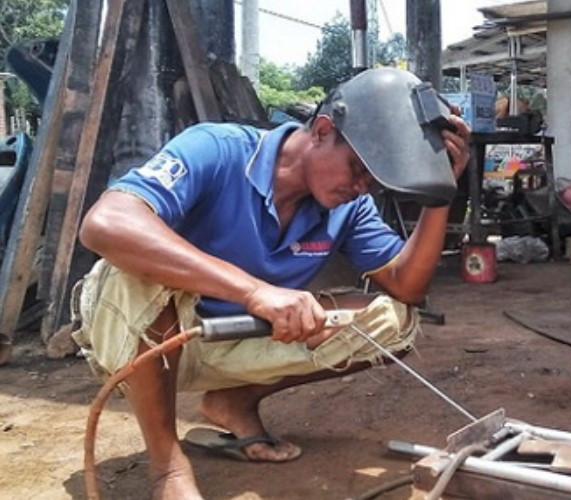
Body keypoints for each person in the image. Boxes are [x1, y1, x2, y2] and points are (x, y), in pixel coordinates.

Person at [73, 67, 471, 499]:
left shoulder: (350, 206)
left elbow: (406, 288)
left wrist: (440, 191)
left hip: (234, 341)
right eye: (358, 168)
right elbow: (105, 223)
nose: (361, 187)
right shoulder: (216, 149)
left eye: (373, 180)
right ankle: (167, 468)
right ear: (322, 130)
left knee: (392, 322)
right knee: (137, 276)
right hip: (140, 337)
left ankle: (232, 402)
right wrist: (254, 292)